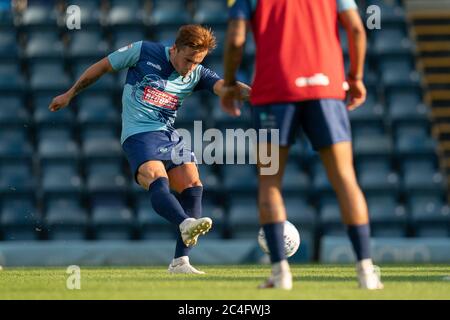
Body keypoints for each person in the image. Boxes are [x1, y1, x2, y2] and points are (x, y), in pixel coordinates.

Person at [49, 24, 250, 274]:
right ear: (174, 48)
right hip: (139, 133)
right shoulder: (143, 51)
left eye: (196, 62)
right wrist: (70, 93)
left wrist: (255, 94)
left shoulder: (196, 73)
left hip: (167, 134)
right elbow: (101, 67)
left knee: (193, 184)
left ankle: (180, 262)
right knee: (157, 177)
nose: (189, 68)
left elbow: (224, 87)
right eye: (187, 59)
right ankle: (184, 223)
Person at [222, 0, 383, 290]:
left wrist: (231, 83)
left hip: (274, 93)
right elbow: (357, 29)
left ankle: (281, 274)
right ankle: (366, 271)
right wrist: (355, 77)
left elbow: (235, 40)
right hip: (326, 90)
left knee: (269, 182)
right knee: (346, 179)